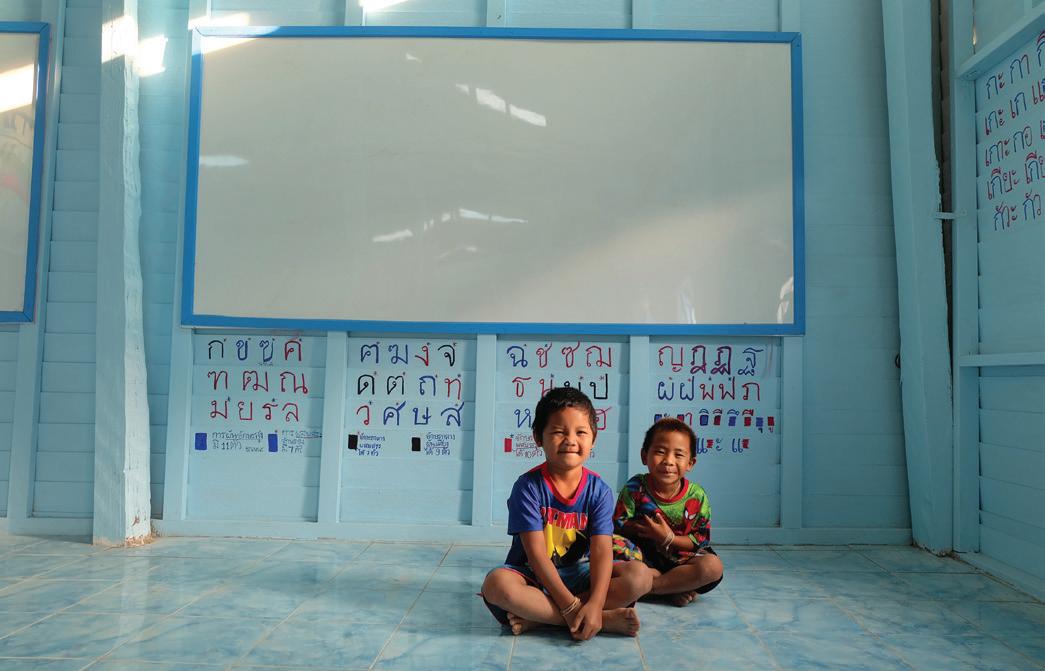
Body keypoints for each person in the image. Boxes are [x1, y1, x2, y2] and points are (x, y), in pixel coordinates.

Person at [480, 387, 650, 639]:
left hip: (581, 574)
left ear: (593, 438)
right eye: (559, 432)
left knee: (640, 576)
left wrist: (595, 602)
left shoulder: (599, 490)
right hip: (535, 577)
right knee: (496, 585)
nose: (570, 440)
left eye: (581, 432)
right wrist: (570, 608)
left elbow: (601, 551)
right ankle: (599, 620)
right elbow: (537, 556)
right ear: (538, 437)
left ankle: (542, 618)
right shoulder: (527, 488)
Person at [613, 417, 724, 606]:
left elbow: (699, 540)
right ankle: (673, 587)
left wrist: (668, 538)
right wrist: (646, 530)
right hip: (642, 557)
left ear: (690, 463)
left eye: (678, 455)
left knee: (713, 567)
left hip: (680, 559)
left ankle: (652, 588)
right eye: (660, 452)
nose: (668, 461)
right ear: (644, 456)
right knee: (605, 547)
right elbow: (618, 525)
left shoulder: (697, 496)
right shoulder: (635, 487)